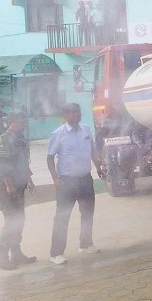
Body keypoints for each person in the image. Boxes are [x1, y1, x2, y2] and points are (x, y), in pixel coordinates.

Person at [47, 103, 105, 265]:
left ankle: (85, 244)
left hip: (85, 179)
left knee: (87, 213)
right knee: (62, 217)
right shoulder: (58, 134)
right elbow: (50, 158)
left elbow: (92, 150)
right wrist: (55, 179)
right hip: (66, 182)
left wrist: (98, 167)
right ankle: (56, 253)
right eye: (72, 113)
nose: (77, 115)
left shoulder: (86, 129)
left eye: (78, 112)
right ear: (65, 116)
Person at [0, 111, 37, 270]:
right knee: (11, 221)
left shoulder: (21, 139)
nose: (24, 125)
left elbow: (23, 162)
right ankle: (2, 257)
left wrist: (29, 179)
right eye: (21, 122)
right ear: (11, 122)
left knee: (19, 220)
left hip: (19, 185)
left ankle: (16, 253)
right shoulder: (4, 140)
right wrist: (9, 184)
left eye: (25, 122)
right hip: (6, 188)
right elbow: (1, 164)